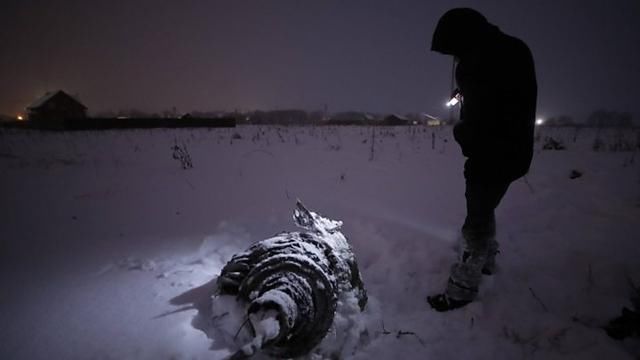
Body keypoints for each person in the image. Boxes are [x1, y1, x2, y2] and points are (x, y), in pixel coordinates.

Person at [427, 8, 537, 311]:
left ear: (461, 39)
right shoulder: (514, 49)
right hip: (516, 152)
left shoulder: (477, 63)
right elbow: (507, 96)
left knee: (475, 220)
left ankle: (462, 288)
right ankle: (486, 261)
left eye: (453, 50)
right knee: (485, 207)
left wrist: (463, 133)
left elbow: (482, 115)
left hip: (489, 154)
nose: (454, 59)